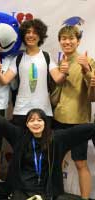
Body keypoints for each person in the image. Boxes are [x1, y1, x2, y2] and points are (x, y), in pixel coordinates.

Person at [0, 96, 95, 200]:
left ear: (45, 123)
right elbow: (1, 123)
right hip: (22, 189)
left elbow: (80, 131)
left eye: (39, 120)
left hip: (46, 191)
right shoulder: (19, 136)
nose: (36, 123)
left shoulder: (56, 138)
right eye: (31, 120)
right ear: (27, 124)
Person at [0, 19, 69, 128]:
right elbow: (4, 81)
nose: (31, 35)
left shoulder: (47, 56)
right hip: (21, 111)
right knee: (21, 144)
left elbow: (58, 79)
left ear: (40, 36)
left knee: (43, 144)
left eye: (35, 32)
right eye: (28, 32)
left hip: (44, 110)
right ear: (23, 36)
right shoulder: (18, 59)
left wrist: (64, 72)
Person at [53, 25, 95, 199]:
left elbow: (93, 92)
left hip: (79, 119)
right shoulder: (59, 62)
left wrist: (86, 68)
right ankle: (55, 195)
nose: (67, 42)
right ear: (60, 41)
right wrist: (61, 76)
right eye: (63, 38)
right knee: (56, 162)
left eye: (71, 38)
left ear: (78, 41)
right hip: (59, 118)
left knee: (80, 163)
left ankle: (85, 198)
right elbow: (55, 93)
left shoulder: (88, 61)